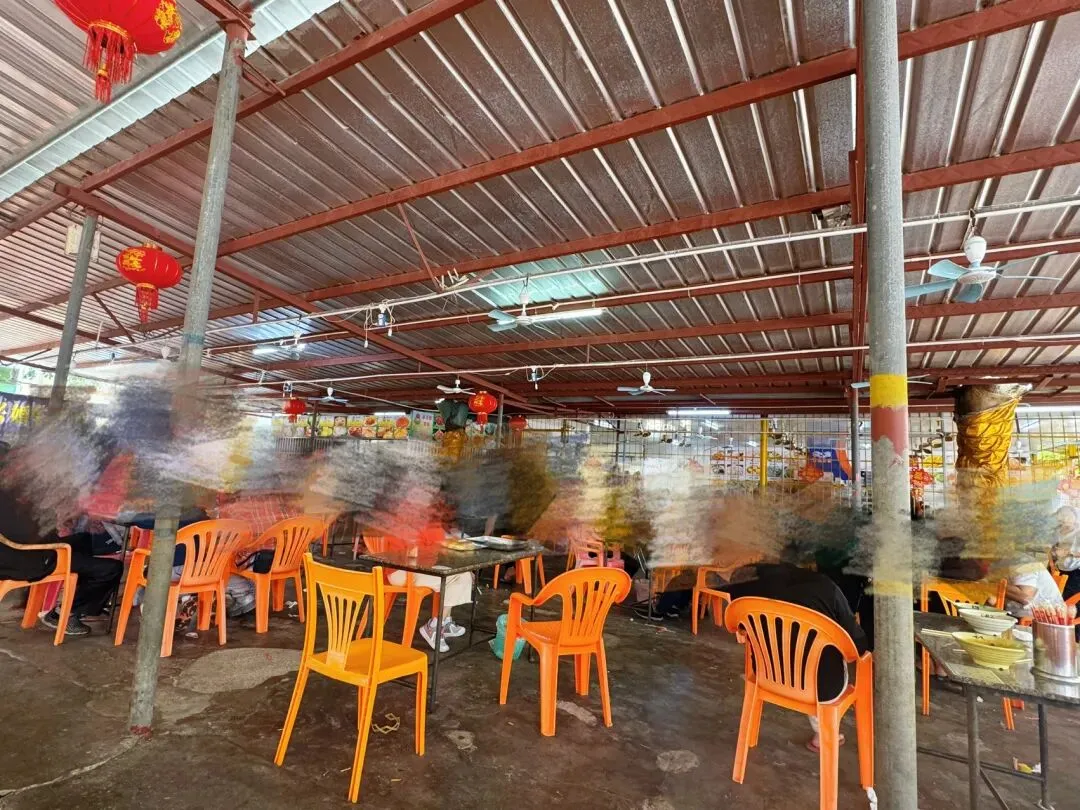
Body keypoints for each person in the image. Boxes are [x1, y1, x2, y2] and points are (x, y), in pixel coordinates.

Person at [718, 562, 870, 753]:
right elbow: (858, 647)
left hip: (766, 675)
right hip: (822, 689)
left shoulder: (743, 583)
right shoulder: (826, 588)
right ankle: (822, 734)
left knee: (799, 651)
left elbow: (739, 629)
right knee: (826, 659)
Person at [0, 443, 122, 637]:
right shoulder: (11, 494)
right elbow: (28, 532)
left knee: (84, 540)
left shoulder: (11, 491)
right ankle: (66, 614)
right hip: (30, 560)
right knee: (111, 569)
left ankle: (80, 595)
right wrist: (51, 520)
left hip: (20, 554)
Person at [1051, 505, 1080, 602]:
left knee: (1071, 601)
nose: (1065, 519)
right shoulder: (1057, 531)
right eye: (1062, 517)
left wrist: (1068, 553)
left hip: (1076, 571)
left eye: (1068, 516)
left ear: (1074, 516)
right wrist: (1053, 556)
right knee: (1055, 599)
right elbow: (1052, 549)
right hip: (1059, 569)